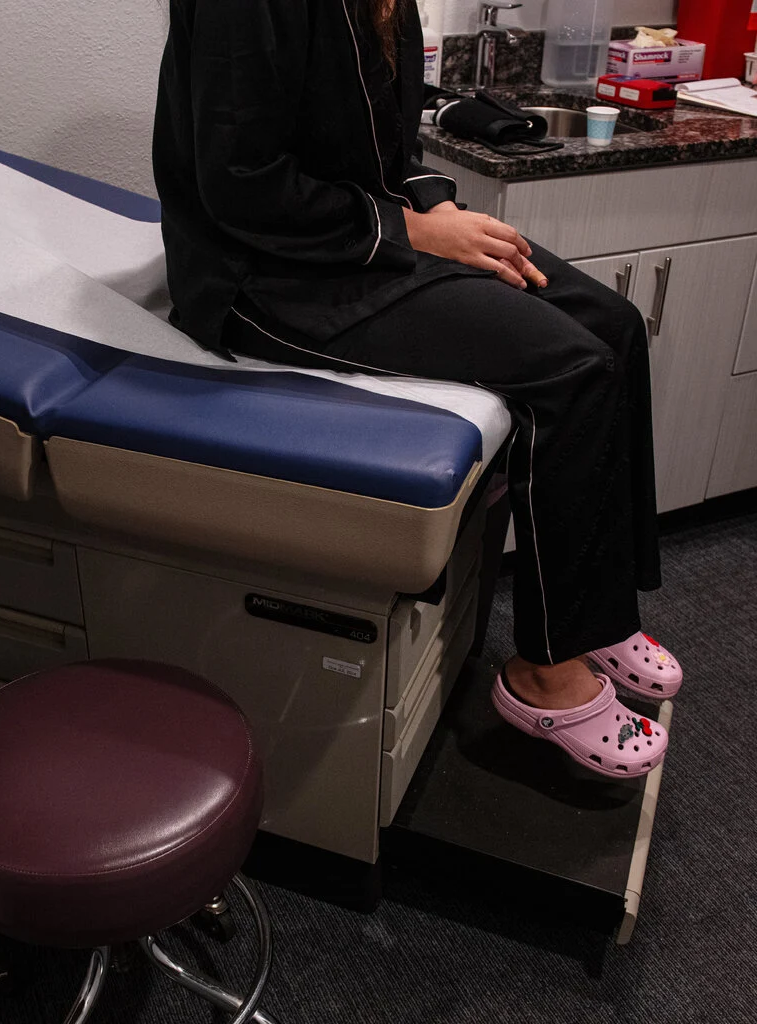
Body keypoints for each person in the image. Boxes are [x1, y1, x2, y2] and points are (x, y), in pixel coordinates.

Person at [152, 0, 680, 777]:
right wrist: (408, 232)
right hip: (265, 279)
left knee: (613, 325)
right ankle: (545, 674)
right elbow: (240, 185)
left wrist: (431, 204)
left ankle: (595, 613)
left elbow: (382, 149)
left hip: (357, 239)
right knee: (570, 368)